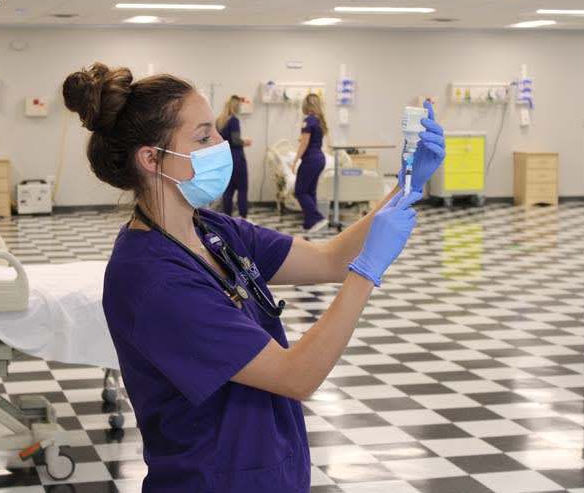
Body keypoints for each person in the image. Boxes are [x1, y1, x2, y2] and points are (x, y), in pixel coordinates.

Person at [62, 62, 445, 493]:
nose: (221, 145)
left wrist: (408, 183)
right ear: (151, 159)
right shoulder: (152, 281)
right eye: (203, 136)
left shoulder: (214, 231)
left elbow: (330, 259)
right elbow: (296, 375)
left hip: (272, 469)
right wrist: (367, 272)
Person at [293, 93, 329, 233]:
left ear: (306, 105)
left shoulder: (308, 120)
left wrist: (295, 160)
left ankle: (318, 218)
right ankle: (310, 224)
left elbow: (304, 143)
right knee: (310, 191)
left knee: (300, 191)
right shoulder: (319, 121)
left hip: (311, 159)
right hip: (320, 158)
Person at [216, 95, 252, 219]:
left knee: (228, 190)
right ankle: (243, 217)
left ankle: (227, 217)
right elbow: (236, 140)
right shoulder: (234, 120)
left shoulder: (220, 121)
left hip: (224, 159)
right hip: (236, 159)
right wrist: (245, 142)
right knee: (242, 188)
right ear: (237, 107)